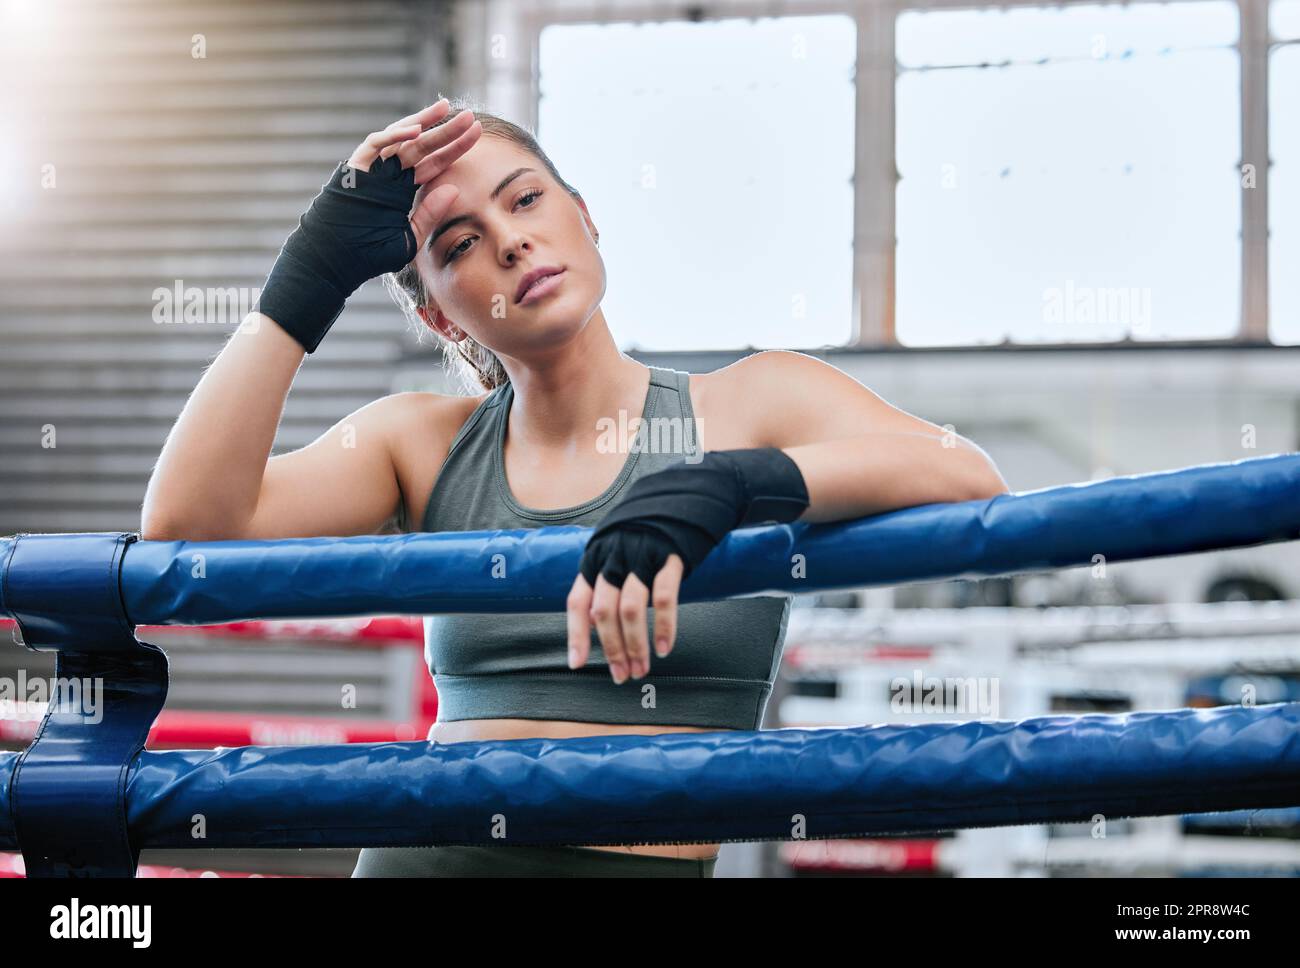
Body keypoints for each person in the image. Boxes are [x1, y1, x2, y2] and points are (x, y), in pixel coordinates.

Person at [139, 97, 1009, 877]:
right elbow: (189, 525)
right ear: (441, 314)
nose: (512, 241)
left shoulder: (753, 400)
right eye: (460, 244)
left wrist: (732, 486)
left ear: (585, 218)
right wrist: (307, 280)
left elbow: (967, 476)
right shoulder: (420, 440)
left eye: (525, 201)